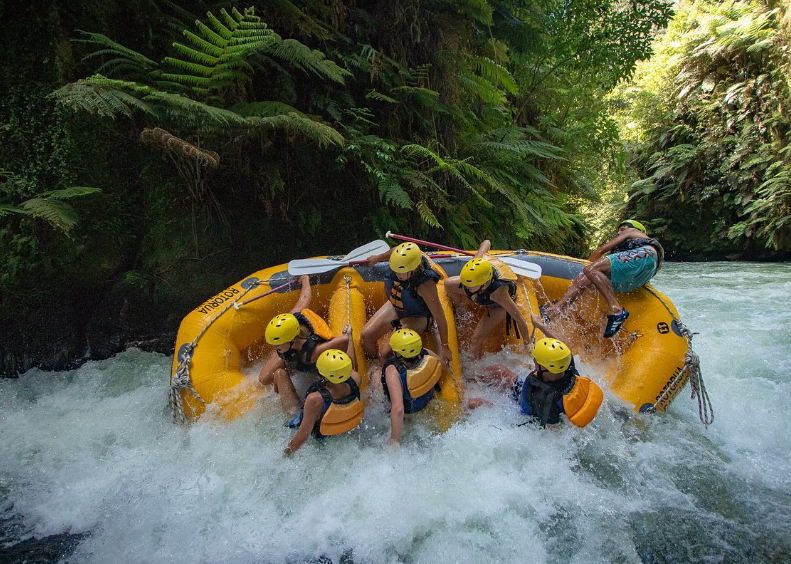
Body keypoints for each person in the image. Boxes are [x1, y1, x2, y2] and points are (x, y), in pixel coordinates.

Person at [468, 315, 603, 428]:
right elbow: (564, 345)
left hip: (524, 415)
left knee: (474, 403)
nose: (533, 360)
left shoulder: (546, 400)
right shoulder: (565, 366)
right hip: (529, 393)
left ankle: (481, 398)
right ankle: (468, 377)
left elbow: (548, 430)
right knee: (499, 371)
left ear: (545, 367)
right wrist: (540, 325)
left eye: (536, 360)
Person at [541, 219, 664, 338]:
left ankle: (616, 309)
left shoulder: (631, 231)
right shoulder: (630, 253)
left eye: (622, 229)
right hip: (646, 269)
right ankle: (554, 311)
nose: (619, 233)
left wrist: (583, 265)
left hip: (646, 254)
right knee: (584, 279)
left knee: (589, 270)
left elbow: (601, 250)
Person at [258, 275, 351, 417]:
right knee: (265, 378)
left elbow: (344, 341)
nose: (273, 348)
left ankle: (295, 415)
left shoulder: (316, 350)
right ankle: (292, 372)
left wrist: (348, 334)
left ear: (291, 340)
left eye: (276, 345)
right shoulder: (290, 322)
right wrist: (305, 280)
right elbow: (304, 299)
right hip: (292, 352)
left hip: (310, 360)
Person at [360, 242, 452, 365]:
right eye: (396, 271)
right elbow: (396, 250)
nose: (398, 275)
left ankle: (390, 369)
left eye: (401, 272)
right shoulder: (402, 260)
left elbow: (440, 317)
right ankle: (374, 364)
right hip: (397, 306)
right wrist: (378, 258)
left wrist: (445, 346)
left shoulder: (425, 285)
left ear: (414, 268)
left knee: (386, 353)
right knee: (366, 336)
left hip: (419, 316)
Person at [444, 239, 531, 358]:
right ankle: (461, 308)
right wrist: (486, 243)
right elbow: (487, 242)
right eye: (465, 284)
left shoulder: (499, 293)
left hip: (496, 306)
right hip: (480, 287)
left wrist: (527, 345)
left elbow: (520, 319)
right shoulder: (477, 263)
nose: (466, 287)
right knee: (448, 284)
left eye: (470, 285)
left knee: (475, 340)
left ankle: (474, 370)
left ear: (483, 283)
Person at [283, 348, 364, 456]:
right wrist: (349, 337)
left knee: (281, 377)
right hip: (343, 433)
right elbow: (351, 367)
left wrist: (287, 453)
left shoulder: (315, 400)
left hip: (321, 441)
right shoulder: (356, 379)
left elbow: (303, 435)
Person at [381, 329, 443, 445]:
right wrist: (437, 337)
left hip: (408, 414)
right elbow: (442, 366)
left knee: (374, 373)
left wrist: (394, 441)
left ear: (398, 353)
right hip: (427, 405)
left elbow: (398, 409)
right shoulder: (427, 353)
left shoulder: (393, 370)